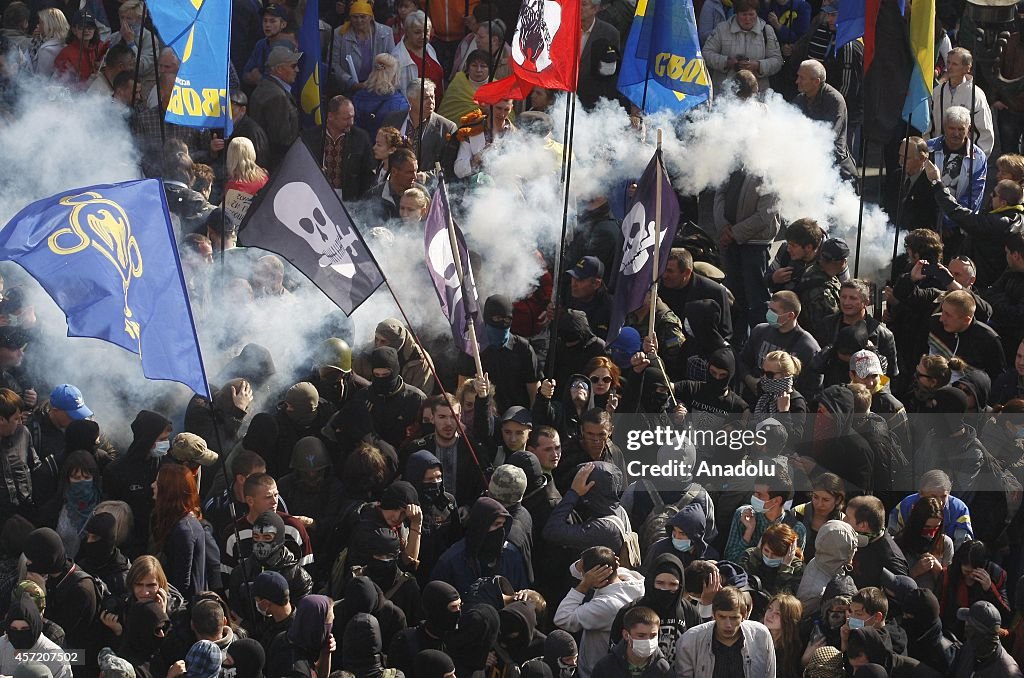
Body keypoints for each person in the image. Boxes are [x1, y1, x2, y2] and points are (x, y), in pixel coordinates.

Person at [553, 545, 645, 678]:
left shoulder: (607, 605)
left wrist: (583, 585)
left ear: (597, 578)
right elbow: (574, 570)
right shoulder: (627, 577)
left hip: (595, 671)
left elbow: (562, 618)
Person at [674, 586, 777, 677]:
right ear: (713, 614)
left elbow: (770, 673)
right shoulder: (690, 641)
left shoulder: (761, 635)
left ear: (744, 615)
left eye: (734, 618)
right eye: (722, 617)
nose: (728, 624)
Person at [151, 464, 207, 600]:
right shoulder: (176, 522)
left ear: (169, 491)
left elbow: (181, 583)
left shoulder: (184, 531)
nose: (152, 485)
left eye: (158, 483)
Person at [703, 0, 783, 93]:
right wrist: (726, 62)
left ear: (757, 14)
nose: (747, 19)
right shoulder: (721, 29)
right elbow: (706, 53)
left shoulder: (767, 31)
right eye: (744, 15)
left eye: (751, 14)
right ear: (736, 14)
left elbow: (777, 60)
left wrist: (758, 65)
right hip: (725, 94)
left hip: (757, 95)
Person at [795, 60, 857, 180]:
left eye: (802, 78)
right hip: (808, 164)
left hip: (836, 167)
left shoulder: (834, 100)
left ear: (816, 82)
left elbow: (829, 136)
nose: (797, 81)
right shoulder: (800, 99)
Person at [930, 48, 994, 157]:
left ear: (967, 68)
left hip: (967, 158)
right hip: (939, 156)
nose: (949, 67)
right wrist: (931, 152)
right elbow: (930, 125)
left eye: (954, 64)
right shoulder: (937, 92)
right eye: (948, 62)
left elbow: (985, 132)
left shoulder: (976, 95)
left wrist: (978, 159)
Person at [249, 45, 302, 170]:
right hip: (277, 166)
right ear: (279, 69)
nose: (298, 70)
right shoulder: (277, 97)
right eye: (293, 66)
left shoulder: (266, 87)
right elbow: (281, 139)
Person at [796, 519, 858, 617]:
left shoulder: (823, 559)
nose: (856, 550)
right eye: (853, 548)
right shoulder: (815, 593)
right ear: (842, 554)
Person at [0, 594, 72, 678]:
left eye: (25, 629)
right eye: (14, 629)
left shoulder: (56, 658)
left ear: (35, 627)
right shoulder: (2, 646)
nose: (19, 635)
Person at [592, 606, 673, 678]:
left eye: (653, 635)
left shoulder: (663, 669)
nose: (648, 641)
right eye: (641, 635)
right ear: (626, 635)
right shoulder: (606, 667)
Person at [331, 0, 393, 93]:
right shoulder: (339, 34)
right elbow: (334, 63)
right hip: (349, 88)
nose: (359, 20)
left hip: (378, 87)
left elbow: (392, 61)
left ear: (371, 17)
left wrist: (378, 80)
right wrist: (350, 82)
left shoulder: (386, 33)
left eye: (363, 17)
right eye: (355, 17)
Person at [949, 600, 1024, 677]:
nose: (966, 630)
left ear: (982, 635)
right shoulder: (969, 648)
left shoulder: (1008, 673)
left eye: (969, 627)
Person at [352, 54, 409, 139]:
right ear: (394, 76)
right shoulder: (400, 103)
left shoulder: (358, 97)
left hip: (361, 146)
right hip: (385, 148)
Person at [391, 11, 443, 100]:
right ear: (406, 32)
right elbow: (400, 93)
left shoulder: (428, 47)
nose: (423, 36)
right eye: (417, 32)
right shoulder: (398, 57)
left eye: (426, 31)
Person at [437, 50, 493, 123]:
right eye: (474, 65)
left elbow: (507, 115)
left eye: (483, 66)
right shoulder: (458, 80)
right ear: (467, 67)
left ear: (490, 69)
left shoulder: (498, 86)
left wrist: (490, 111)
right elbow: (447, 113)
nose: (478, 70)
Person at [53, 10, 105, 87]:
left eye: (90, 27)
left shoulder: (101, 47)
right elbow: (60, 85)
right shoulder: (66, 53)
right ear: (74, 30)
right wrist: (86, 84)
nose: (86, 30)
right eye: (82, 27)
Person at [762, 594, 803, 678]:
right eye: (770, 608)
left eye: (777, 613)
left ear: (788, 619)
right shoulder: (755, 637)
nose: (770, 615)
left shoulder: (794, 650)